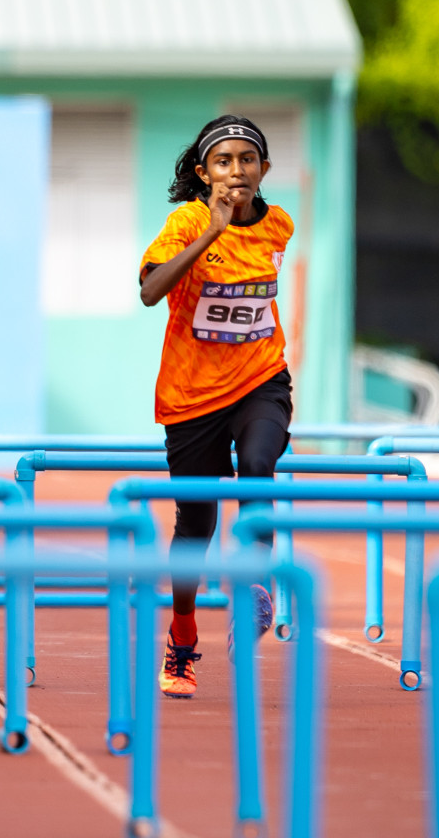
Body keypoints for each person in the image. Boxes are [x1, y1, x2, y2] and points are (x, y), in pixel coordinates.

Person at [139, 115, 291, 699]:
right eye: (223, 162)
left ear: (263, 171)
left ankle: (253, 585)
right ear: (204, 173)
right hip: (192, 394)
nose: (236, 172)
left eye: (246, 161)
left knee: (258, 463)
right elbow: (151, 292)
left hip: (260, 379)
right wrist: (211, 232)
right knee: (196, 524)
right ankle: (181, 641)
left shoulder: (280, 226)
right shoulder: (187, 221)